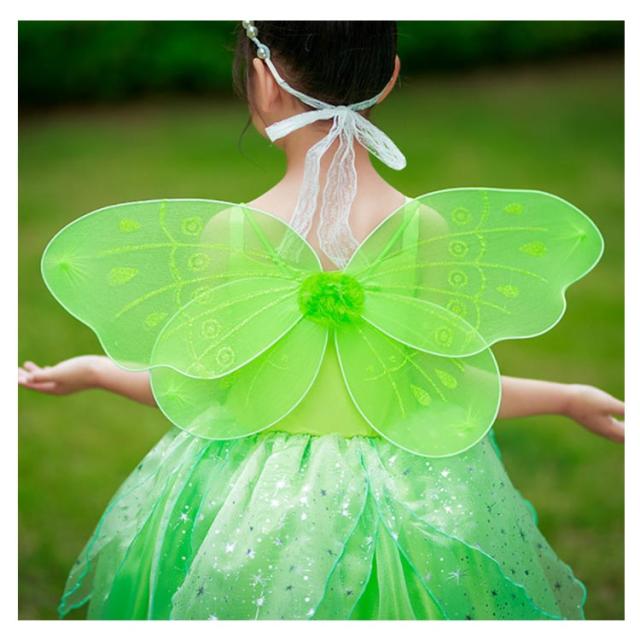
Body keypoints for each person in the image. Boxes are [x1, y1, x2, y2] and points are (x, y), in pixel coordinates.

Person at [19, 21, 623, 620]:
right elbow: (443, 391)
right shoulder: (423, 231)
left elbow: (203, 393)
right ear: (390, 77)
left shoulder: (233, 236)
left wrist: (97, 370)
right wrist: (566, 398)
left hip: (253, 508)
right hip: (406, 498)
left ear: (263, 79)